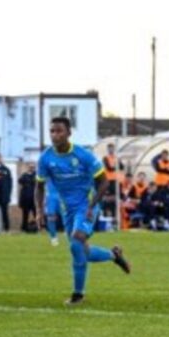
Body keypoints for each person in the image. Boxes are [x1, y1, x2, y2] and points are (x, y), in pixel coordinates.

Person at [35, 117, 130, 305]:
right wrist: (39, 211)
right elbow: (39, 186)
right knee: (80, 250)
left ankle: (78, 295)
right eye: (52, 131)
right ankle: (114, 255)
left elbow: (104, 182)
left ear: (69, 133)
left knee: (77, 240)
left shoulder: (83, 155)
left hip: (86, 205)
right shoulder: (45, 158)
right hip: (67, 209)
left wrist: (92, 206)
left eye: (59, 131)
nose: (55, 135)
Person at [18, 164, 37, 233]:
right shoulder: (24, 176)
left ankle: (38, 227)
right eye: (30, 167)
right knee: (25, 214)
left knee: (36, 214)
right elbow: (20, 181)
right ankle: (24, 228)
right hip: (25, 199)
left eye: (32, 167)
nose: (31, 168)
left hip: (34, 199)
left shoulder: (36, 175)